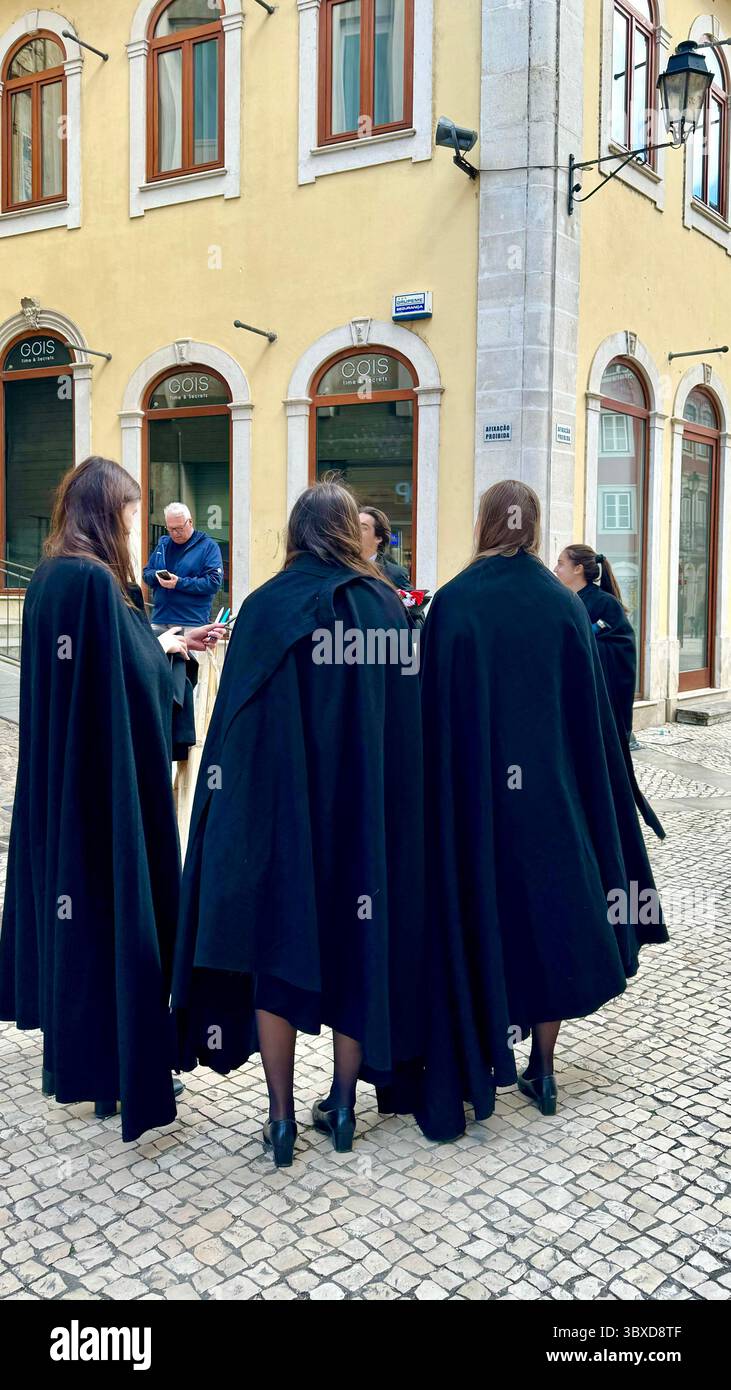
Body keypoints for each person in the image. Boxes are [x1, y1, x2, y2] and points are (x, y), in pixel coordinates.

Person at [172, 480, 424, 1168]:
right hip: (357, 818)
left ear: (294, 531)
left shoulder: (265, 605)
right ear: (350, 531)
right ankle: (342, 1106)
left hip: (279, 822)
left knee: (276, 956)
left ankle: (280, 1118)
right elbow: (402, 729)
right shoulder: (379, 604)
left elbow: (232, 728)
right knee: (353, 952)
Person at [416, 480, 668, 1143]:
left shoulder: (455, 602)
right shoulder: (562, 604)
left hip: (475, 803)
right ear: (533, 523)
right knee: (548, 924)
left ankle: (481, 1057)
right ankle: (543, 1068)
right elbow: (589, 722)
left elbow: (430, 715)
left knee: (482, 919)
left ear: (483, 522)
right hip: (549, 802)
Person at [0, 458, 224, 1142]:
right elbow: (132, 681)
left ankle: (93, 1066)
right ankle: (127, 1074)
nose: (138, 525)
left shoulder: (49, 577)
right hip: (110, 793)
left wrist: (169, 640)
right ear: (108, 514)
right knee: (122, 921)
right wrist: (171, 659)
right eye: (131, 513)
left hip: (68, 788)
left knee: (84, 926)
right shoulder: (96, 583)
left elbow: (103, 666)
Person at [554, 544, 664, 839]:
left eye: (561, 564)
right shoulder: (565, 601)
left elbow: (622, 651)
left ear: (579, 569)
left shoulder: (605, 604)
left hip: (599, 705)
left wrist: (588, 645)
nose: (556, 569)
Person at [142, 503, 224, 631]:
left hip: (191, 622)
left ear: (190, 522)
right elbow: (146, 573)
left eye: (179, 528)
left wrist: (179, 583)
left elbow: (214, 583)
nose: (175, 533)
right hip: (160, 619)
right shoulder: (163, 544)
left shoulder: (209, 546)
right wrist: (157, 576)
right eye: (170, 529)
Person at [359, 505, 428, 626]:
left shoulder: (394, 573)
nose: (355, 532)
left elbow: (418, 622)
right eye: (354, 526)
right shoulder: (341, 567)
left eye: (363, 528)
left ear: (379, 537)